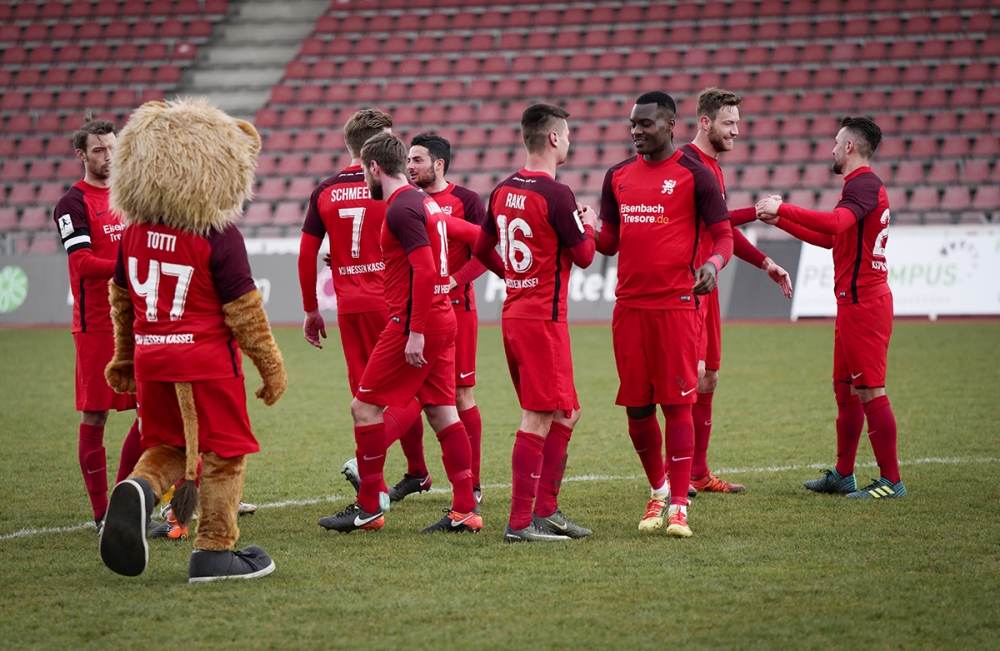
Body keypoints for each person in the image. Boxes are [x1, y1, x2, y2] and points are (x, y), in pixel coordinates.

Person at [317, 132, 485, 534]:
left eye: (364, 172)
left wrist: (415, 331)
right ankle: (465, 508)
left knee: (363, 408)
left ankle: (368, 507)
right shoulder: (423, 201)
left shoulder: (401, 208)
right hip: (442, 319)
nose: (364, 180)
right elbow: (474, 236)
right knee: (442, 411)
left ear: (374, 168)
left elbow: (424, 271)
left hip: (411, 321)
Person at [595, 91, 734, 537]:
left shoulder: (696, 175)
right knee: (637, 408)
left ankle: (678, 506)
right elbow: (608, 243)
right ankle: (657, 491)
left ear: (671, 125)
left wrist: (713, 264)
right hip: (629, 309)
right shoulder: (617, 176)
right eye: (632, 124)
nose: (636, 131)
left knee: (677, 405)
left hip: (676, 308)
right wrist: (585, 228)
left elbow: (724, 236)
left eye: (645, 124)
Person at [756, 116, 905, 499]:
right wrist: (780, 221)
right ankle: (843, 474)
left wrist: (784, 207)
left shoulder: (864, 183)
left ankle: (892, 481)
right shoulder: (857, 185)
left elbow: (835, 224)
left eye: (837, 143)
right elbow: (832, 239)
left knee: (870, 391)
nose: (832, 149)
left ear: (850, 146)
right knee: (846, 389)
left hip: (865, 304)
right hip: (852, 304)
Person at [473, 103, 599, 543]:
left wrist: (512, 277)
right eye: (568, 135)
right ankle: (520, 522)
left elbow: (482, 249)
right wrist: (590, 225)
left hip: (515, 314)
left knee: (567, 411)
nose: (570, 142)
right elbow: (585, 256)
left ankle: (546, 511)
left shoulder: (503, 189)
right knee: (538, 416)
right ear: (553, 138)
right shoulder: (557, 194)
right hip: (542, 319)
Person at [298, 109, 424, 511]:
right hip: (391, 302)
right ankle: (372, 473)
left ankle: (408, 475)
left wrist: (310, 309)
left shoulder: (325, 190)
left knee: (366, 397)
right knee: (417, 392)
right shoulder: (392, 187)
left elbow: (306, 254)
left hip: (348, 307)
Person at [683, 88, 794, 495]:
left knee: (709, 377)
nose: (736, 131)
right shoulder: (687, 165)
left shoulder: (713, 166)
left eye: (738, 124)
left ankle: (698, 473)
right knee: (690, 377)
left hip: (708, 282)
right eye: (728, 123)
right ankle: (674, 473)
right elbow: (716, 220)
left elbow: (720, 227)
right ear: (705, 122)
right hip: (688, 284)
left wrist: (765, 263)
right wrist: (757, 211)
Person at [52, 112, 142, 533]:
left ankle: (159, 497)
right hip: (97, 325)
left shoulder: (130, 194)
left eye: (112, 148)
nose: (108, 156)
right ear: (81, 155)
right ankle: (102, 513)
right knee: (95, 417)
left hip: (139, 321)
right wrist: (131, 267)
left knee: (153, 412)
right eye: (99, 150)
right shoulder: (72, 204)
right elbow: (83, 263)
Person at [403, 133, 489, 504]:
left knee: (459, 393)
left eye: (417, 160)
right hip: (416, 313)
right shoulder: (406, 200)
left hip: (457, 309)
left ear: (439, 164)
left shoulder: (466, 200)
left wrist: (455, 280)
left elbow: (486, 250)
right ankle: (416, 473)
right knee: (410, 393)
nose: (410, 167)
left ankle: (473, 484)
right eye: (408, 160)